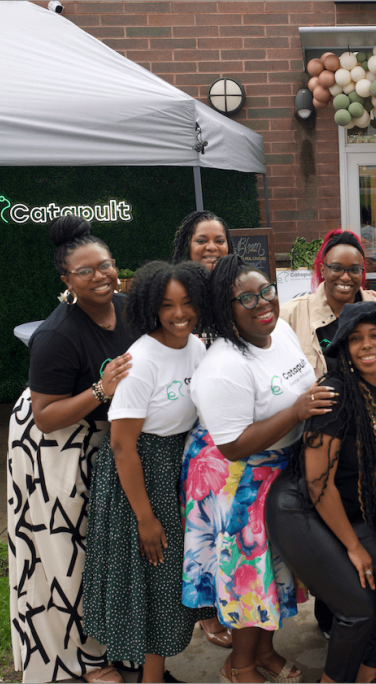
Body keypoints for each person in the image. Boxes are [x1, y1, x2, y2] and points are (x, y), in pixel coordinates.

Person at [182, 255, 330, 683]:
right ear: (223, 310)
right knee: (249, 577)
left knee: (276, 571)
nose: (262, 302)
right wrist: (297, 413)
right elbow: (232, 445)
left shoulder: (277, 329)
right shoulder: (222, 367)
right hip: (239, 479)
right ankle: (240, 665)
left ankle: (265, 651)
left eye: (266, 291)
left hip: (279, 468)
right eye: (246, 298)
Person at [265, 301, 376, 683]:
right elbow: (318, 483)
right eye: (356, 339)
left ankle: (365, 676)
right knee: (358, 607)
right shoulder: (334, 393)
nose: (367, 345)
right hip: (300, 509)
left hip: (351, 512)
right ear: (344, 348)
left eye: (374, 336)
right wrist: (354, 547)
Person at [7, 216, 134, 684]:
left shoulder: (129, 306)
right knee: (70, 553)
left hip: (106, 438)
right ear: (67, 281)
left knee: (109, 549)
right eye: (86, 271)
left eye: (105, 265)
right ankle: (85, 659)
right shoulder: (57, 334)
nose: (100, 275)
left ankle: (118, 640)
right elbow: (45, 415)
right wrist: (102, 391)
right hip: (54, 449)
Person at [82, 260, 212, 683]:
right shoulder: (141, 360)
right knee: (154, 583)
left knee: (169, 584)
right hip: (139, 478)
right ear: (151, 307)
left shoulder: (196, 346)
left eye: (188, 303)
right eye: (167, 305)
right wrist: (145, 517)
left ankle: (154, 674)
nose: (179, 314)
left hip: (176, 469)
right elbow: (122, 447)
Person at [170, 209, 235, 646]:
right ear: (186, 246)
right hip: (185, 426)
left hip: (230, 429)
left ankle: (229, 602)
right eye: (202, 240)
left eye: (219, 240)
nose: (212, 247)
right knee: (197, 529)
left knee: (225, 529)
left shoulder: (235, 290)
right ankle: (206, 611)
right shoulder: (177, 293)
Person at [280, 229, 376, 378]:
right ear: (323, 270)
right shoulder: (290, 316)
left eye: (354, 270)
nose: (345, 277)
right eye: (336, 268)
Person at [170, 210, 235, 270]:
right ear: (187, 245)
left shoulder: (241, 280)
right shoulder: (173, 282)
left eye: (219, 241)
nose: (211, 247)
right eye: (201, 241)